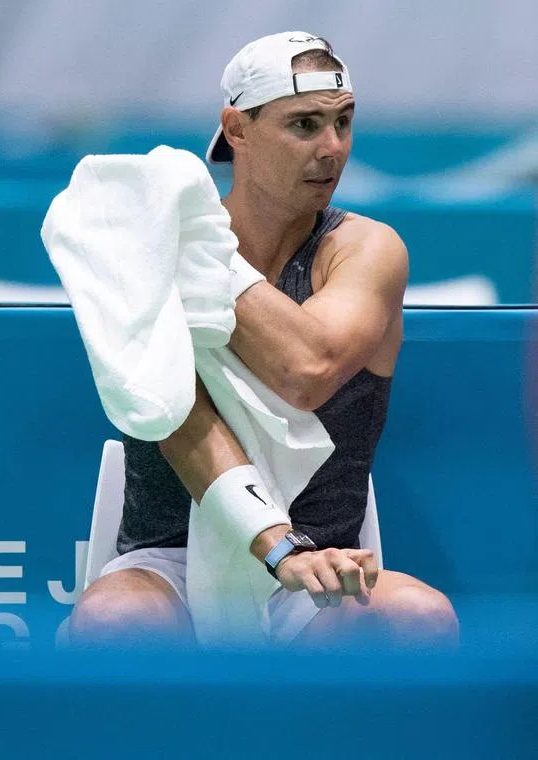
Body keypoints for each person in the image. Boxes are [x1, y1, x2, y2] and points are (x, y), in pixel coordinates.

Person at [71, 32, 459, 648]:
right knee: (111, 627)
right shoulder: (154, 246)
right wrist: (276, 543)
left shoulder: (364, 249)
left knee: (419, 619)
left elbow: (308, 368)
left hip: (327, 567)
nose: (332, 149)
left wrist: (194, 251)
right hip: (169, 563)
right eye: (304, 124)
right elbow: (181, 422)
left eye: (344, 123)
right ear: (238, 129)